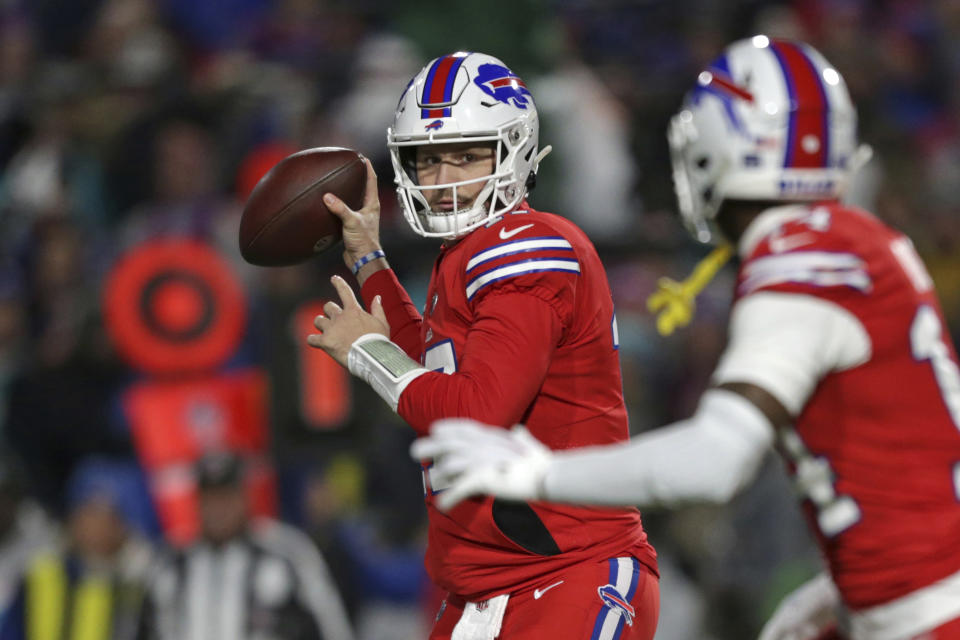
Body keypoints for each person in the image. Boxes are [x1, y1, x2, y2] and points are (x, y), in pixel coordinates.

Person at [410, 37, 960, 640]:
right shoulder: (863, 242)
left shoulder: (801, 262)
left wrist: (539, 476)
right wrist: (844, 588)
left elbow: (715, 460)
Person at [308, 52, 659, 639]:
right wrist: (368, 258)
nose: (444, 182)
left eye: (466, 156)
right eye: (427, 161)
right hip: (480, 588)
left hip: (565, 575)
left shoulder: (526, 248)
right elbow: (433, 368)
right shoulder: (470, 254)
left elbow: (474, 412)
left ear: (513, 151)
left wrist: (370, 355)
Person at [146, 451, 353, 640]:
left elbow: (331, 625)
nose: (218, 510)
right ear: (197, 503)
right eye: (210, 500)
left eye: (226, 498)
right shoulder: (170, 560)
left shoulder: (286, 551)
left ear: (245, 498)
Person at [0, 457, 156, 640]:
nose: (92, 525)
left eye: (105, 515)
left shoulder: (139, 587)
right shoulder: (39, 574)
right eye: (85, 510)